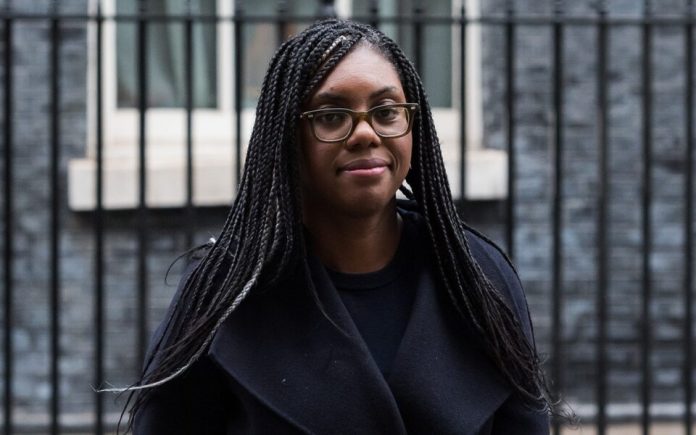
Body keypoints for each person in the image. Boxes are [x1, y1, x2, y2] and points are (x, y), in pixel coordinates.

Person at [126, 18, 552, 434]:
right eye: (331, 116)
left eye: (387, 111)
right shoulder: (225, 294)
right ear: (289, 138)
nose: (365, 133)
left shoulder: (478, 279)